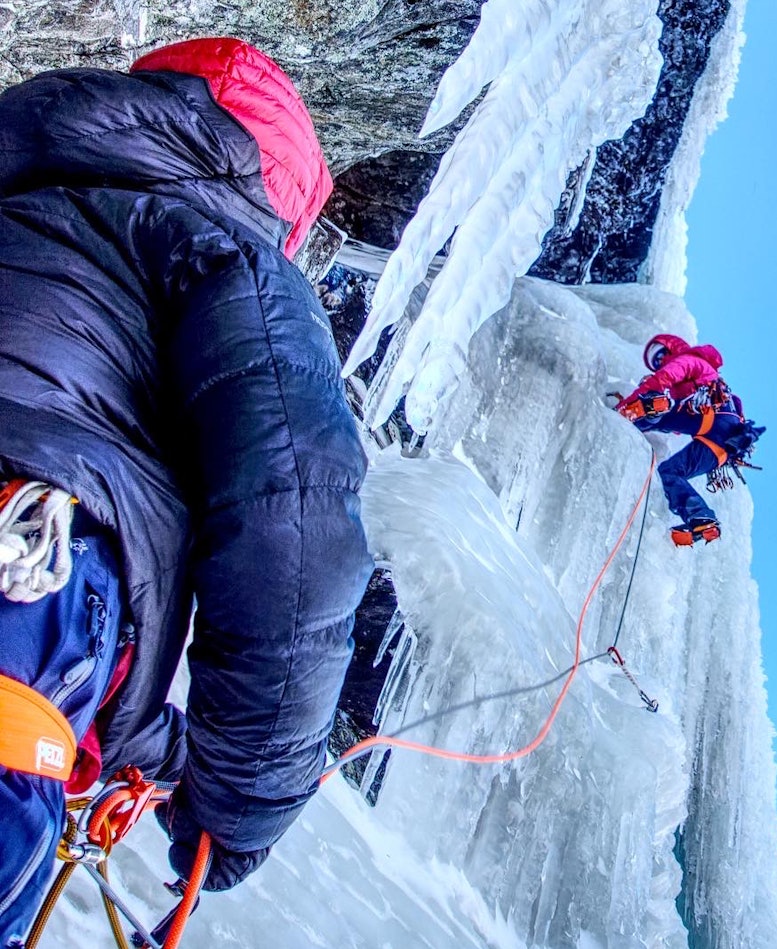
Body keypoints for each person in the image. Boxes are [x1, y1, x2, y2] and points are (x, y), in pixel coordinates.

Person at [0, 37, 373, 942]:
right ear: (274, 191)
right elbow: (294, 526)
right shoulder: (227, 253)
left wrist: (167, 756)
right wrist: (237, 803)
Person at [615, 334, 762, 546]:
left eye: (660, 356)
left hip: (709, 417)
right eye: (655, 362)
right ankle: (702, 521)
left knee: (658, 405)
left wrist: (623, 408)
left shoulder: (692, 360)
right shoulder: (714, 381)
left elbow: (663, 378)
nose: (659, 362)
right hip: (724, 446)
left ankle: (644, 410)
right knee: (670, 472)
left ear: (671, 349)